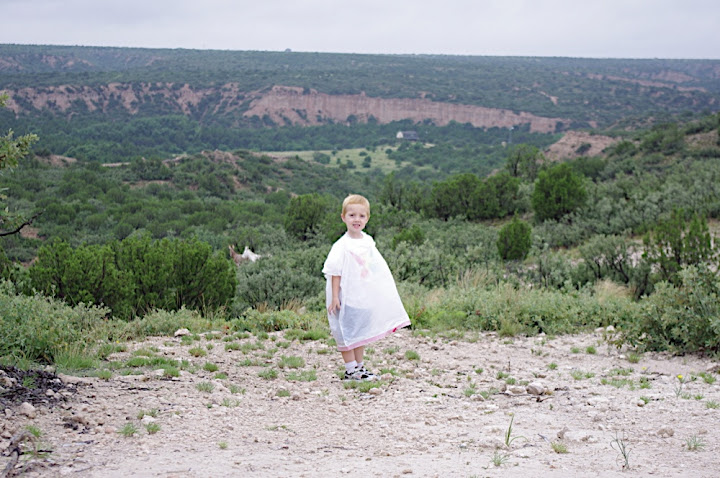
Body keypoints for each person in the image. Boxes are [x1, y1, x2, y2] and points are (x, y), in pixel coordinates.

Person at [322, 194, 411, 380]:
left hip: (361, 295)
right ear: (343, 217)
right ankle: (350, 370)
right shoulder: (342, 245)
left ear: (367, 218)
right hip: (345, 296)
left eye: (361, 216)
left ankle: (360, 367)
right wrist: (335, 296)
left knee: (359, 330)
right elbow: (335, 272)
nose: (357, 219)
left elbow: (373, 265)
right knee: (345, 330)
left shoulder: (367, 241)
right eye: (352, 215)